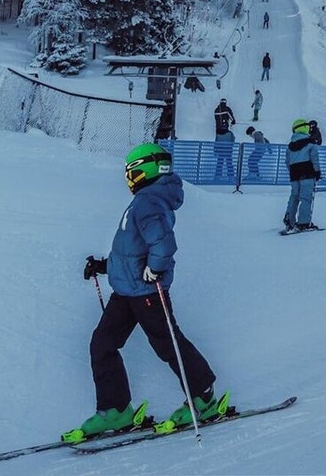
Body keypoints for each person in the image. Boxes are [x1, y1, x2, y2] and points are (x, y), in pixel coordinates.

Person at [67, 144, 228, 442]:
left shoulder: (149, 202)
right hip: (127, 290)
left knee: (168, 345)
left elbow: (164, 244)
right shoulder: (145, 200)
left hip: (147, 291)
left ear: (150, 169)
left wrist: (154, 269)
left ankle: (203, 398)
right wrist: (104, 266)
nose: (129, 177)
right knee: (102, 342)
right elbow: (133, 248)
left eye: (133, 171)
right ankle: (115, 409)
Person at [284, 119, 322, 231]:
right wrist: (317, 171)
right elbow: (314, 159)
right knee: (306, 198)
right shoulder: (310, 143)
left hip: (294, 174)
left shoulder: (290, 146)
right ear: (305, 128)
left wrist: (292, 171)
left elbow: (287, 162)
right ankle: (304, 223)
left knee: (294, 196)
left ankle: (289, 220)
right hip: (308, 173)